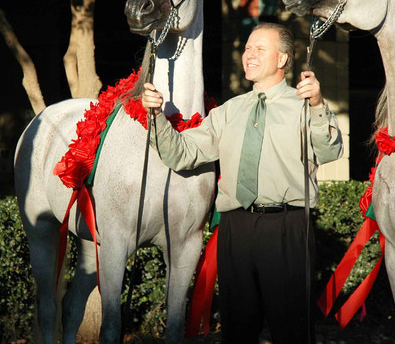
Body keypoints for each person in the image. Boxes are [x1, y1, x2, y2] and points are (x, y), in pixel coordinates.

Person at [141, 22, 343, 343]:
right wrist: (155, 117)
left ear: (282, 59)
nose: (249, 55)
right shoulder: (227, 111)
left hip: (287, 227)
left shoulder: (305, 105)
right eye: (248, 48)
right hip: (235, 229)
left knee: (291, 329)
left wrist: (318, 106)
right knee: (236, 329)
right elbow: (182, 153)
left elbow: (330, 150)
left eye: (259, 49)